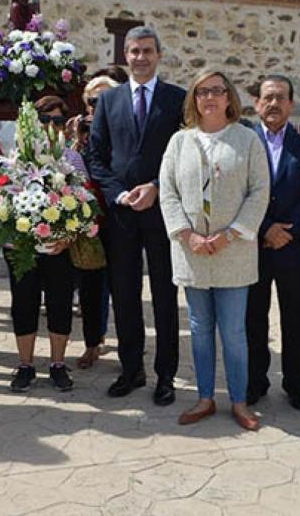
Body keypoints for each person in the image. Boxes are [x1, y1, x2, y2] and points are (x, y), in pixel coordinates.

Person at [159, 70, 270, 430]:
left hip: (233, 251)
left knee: (234, 332)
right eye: (202, 91)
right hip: (193, 251)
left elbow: (259, 192)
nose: (210, 97)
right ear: (194, 98)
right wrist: (186, 234)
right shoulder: (179, 142)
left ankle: (239, 401)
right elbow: (168, 191)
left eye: (217, 91)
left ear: (229, 98)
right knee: (199, 327)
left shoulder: (247, 139)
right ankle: (205, 397)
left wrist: (231, 234)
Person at [87, 26, 185, 405]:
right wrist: (119, 194)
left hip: (164, 211)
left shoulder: (177, 99)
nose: (140, 57)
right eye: (133, 51)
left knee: (164, 296)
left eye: (147, 51)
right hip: (122, 213)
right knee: (125, 295)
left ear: (159, 55)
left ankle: (166, 376)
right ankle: (131, 370)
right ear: (124, 56)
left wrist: (157, 187)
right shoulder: (109, 102)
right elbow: (96, 156)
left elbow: (186, 156)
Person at [245, 75, 300, 410]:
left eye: (281, 98)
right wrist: (266, 227)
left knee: (298, 320)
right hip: (254, 246)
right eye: (268, 98)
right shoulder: (244, 140)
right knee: (253, 319)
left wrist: (288, 230)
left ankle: (296, 384)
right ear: (257, 103)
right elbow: (237, 191)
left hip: (295, 247)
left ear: (292, 104)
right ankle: (254, 381)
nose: (274, 104)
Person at [7, 96, 84, 393]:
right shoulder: (19, 155)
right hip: (24, 246)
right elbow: (5, 196)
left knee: (59, 304)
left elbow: (83, 201)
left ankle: (57, 364)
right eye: (45, 120)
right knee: (23, 304)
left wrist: (68, 235)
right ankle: (25, 365)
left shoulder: (72, 158)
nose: (51, 126)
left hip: (58, 248)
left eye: (57, 121)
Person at [68, 75, 119, 369]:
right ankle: (92, 342)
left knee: (120, 285)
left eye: (104, 101)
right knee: (90, 285)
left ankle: (127, 342)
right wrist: (76, 138)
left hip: (117, 215)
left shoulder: (121, 131)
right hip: (87, 219)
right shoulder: (79, 132)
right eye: (92, 101)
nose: (96, 107)